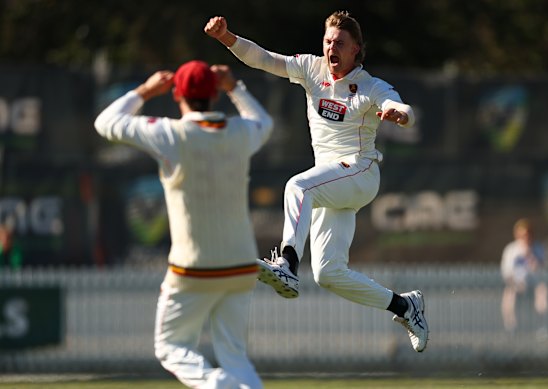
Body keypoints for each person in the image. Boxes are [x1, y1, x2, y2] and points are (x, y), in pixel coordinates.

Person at [205, 10, 428, 352]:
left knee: (297, 186)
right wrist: (226, 38)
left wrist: (400, 115)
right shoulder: (312, 69)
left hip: (360, 172)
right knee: (328, 274)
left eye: (339, 42)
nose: (330, 47)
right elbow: (264, 59)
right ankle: (405, 306)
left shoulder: (370, 86)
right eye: (327, 41)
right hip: (331, 182)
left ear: (357, 49)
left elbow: (401, 106)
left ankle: (287, 264)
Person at [94, 61, 273, 389]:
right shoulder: (240, 132)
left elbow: (105, 123)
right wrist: (235, 86)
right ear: (215, 96)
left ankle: (216, 384)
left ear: (177, 94)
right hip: (242, 264)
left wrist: (144, 91)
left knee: (170, 347)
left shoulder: (169, 134)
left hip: (193, 268)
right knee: (235, 355)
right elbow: (264, 121)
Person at [501, 218, 548, 337]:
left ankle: (541, 327)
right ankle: (511, 328)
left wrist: (530, 255)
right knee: (509, 294)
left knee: (542, 292)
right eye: (522, 235)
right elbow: (506, 271)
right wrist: (515, 282)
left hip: (534, 282)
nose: (525, 238)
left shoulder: (538, 248)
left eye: (527, 234)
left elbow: (544, 270)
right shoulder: (511, 250)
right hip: (517, 284)